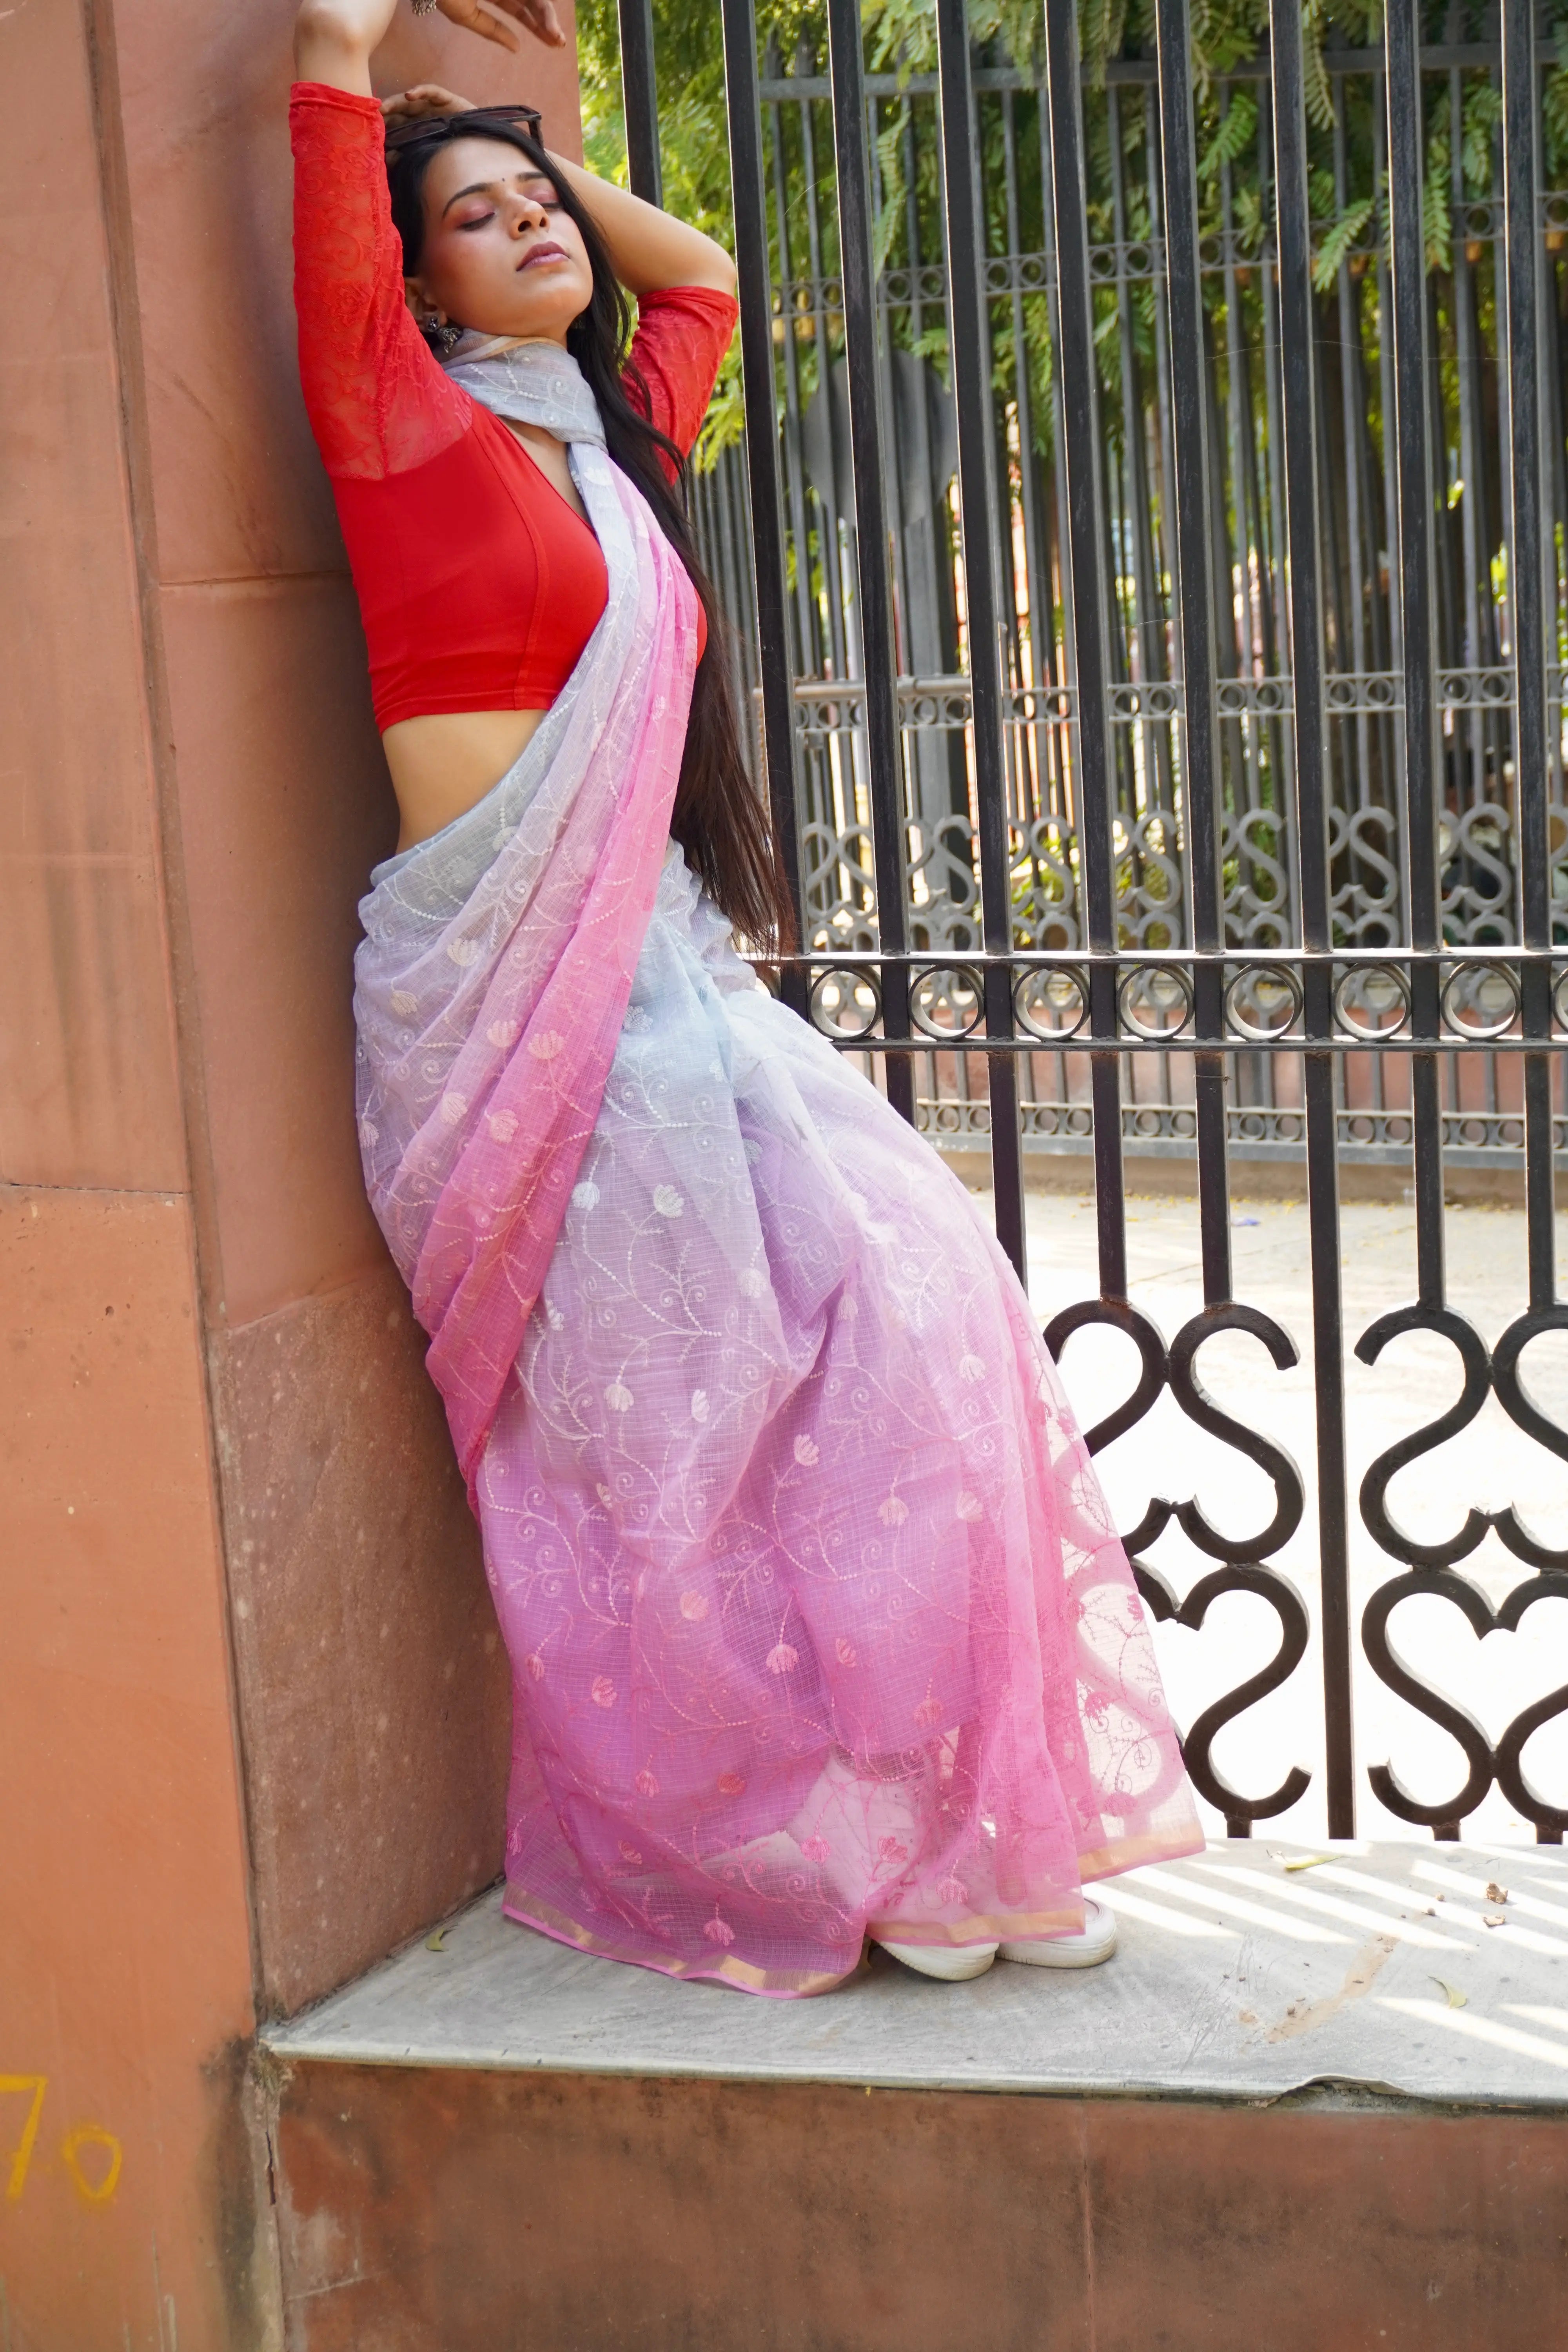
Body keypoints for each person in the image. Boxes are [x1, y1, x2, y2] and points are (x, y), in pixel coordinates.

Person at [289, 0, 1201, 1997]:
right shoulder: (401, 428)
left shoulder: (620, 457)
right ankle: (775, 1855)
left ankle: (947, 1827)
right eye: (482, 218)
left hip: (684, 1000)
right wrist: (358, 72)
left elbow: (694, 275)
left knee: (931, 1327)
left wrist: (506, 137)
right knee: (688, 1443)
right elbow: (329, 181)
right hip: (527, 1034)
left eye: (544, 204)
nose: (536, 226)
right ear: (415, 281)